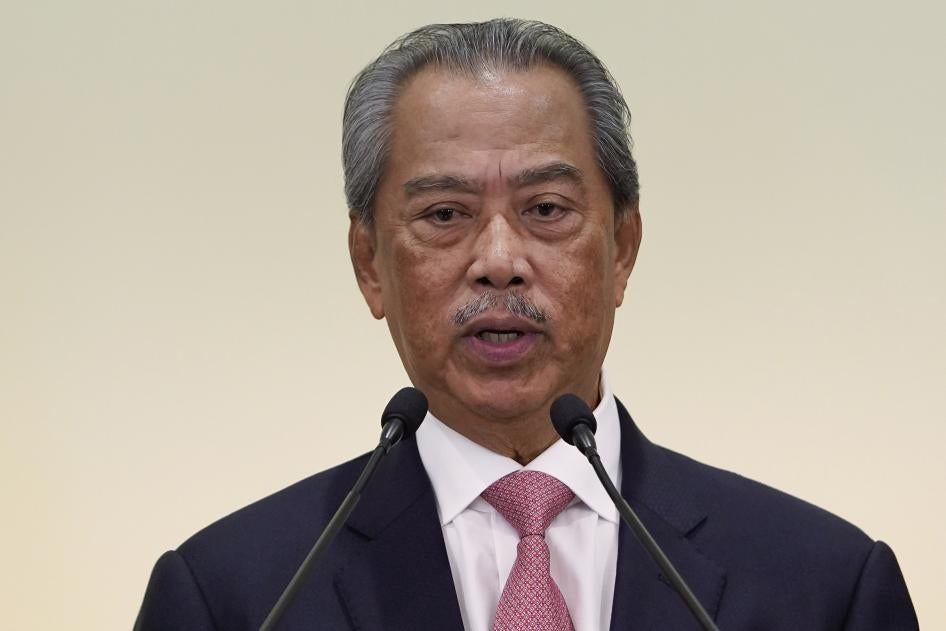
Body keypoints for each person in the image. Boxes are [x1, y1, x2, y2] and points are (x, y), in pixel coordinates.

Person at [135, 19, 918, 630]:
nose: (499, 261)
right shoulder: (234, 596)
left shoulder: (825, 587)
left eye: (546, 209)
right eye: (445, 215)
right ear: (369, 263)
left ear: (623, 249)